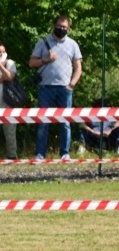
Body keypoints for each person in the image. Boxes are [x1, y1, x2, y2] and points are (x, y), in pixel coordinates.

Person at [29, 15, 83, 162]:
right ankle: (40, 154)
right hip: (45, 87)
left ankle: (65, 154)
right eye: (59, 26)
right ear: (54, 26)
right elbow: (32, 63)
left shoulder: (73, 45)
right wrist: (45, 60)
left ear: (69, 29)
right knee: (43, 122)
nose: (61, 29)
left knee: (65, 122)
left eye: (65, 27)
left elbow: (78, 68)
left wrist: (72, 84)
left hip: (65, 89)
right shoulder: (43, 42)